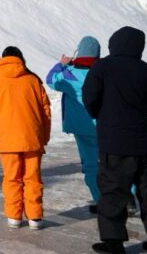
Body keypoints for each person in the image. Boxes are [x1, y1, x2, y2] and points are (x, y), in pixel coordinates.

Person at [84, 27, 147, 254]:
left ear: (113, 44)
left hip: (114, 142)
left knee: (113, 192)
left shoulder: (102, 67)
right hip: (142, 141)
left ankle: (113, 243)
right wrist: (139, 110)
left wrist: (102, 113)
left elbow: (90, 97)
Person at [0, 46, 51, 230]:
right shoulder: (33, 80)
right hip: (32, 138)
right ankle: (35, 217)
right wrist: (44, 136)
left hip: (6, 140)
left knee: (11, 178)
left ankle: (14, 216)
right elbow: (45, 111)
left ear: (2, 59)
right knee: (32, 178)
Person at [45, 36, 104, 212]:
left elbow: (51, 79)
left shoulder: (70, 74)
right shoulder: (103, 72)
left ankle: (101, 201)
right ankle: (128, 197)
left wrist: (62, 64)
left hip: (82, 127)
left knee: (91, 165)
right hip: (105, 125)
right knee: (115, 163)